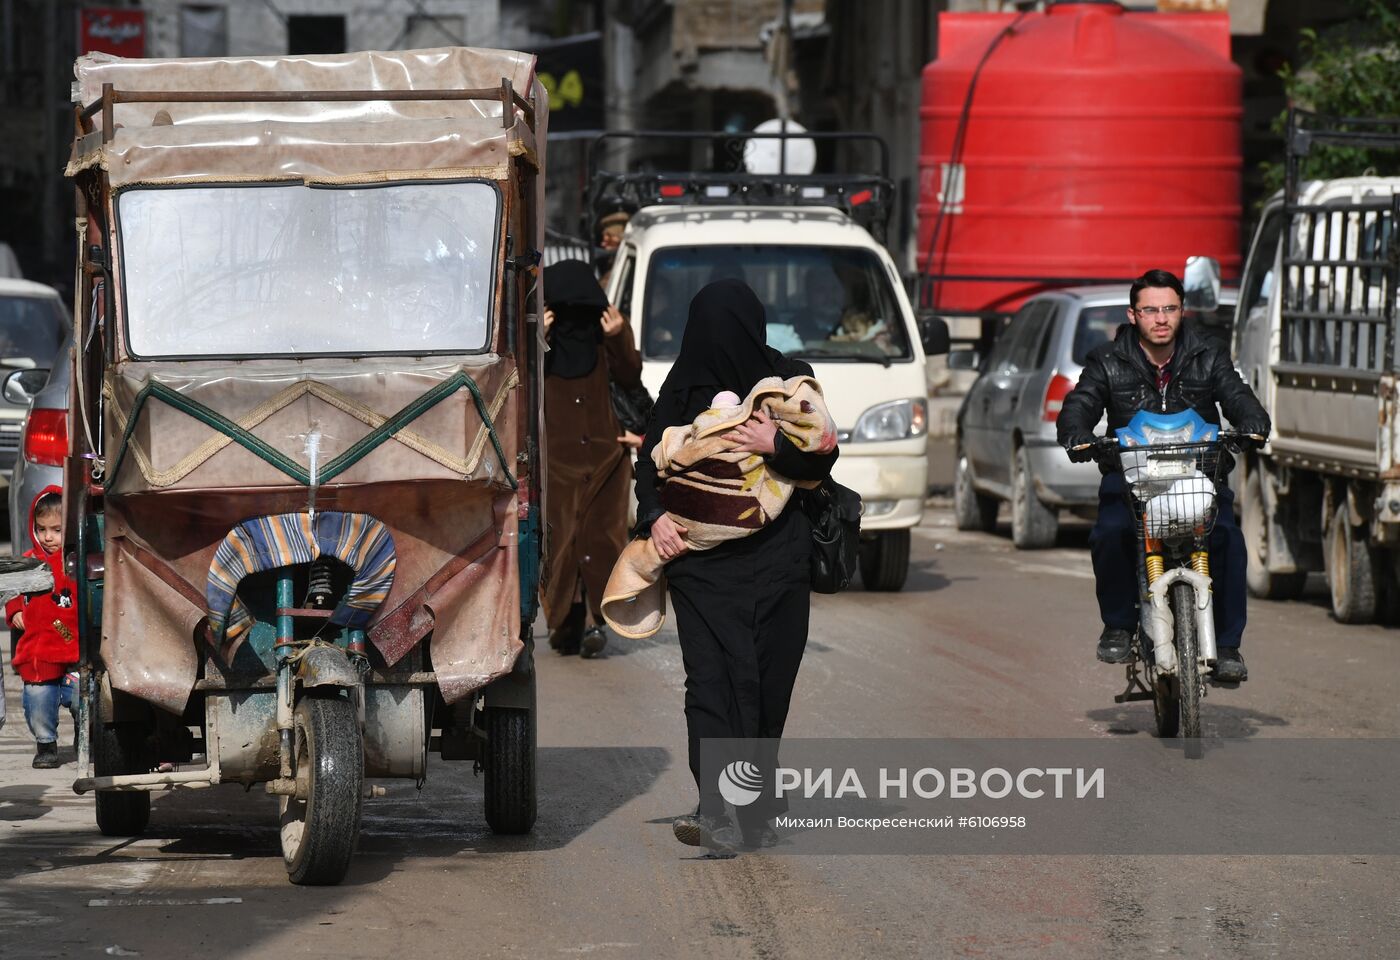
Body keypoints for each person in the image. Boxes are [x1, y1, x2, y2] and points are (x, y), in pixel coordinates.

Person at [635, 279, 839, 851]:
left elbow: (825, 453)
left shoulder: (786, 380)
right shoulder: (681, 386)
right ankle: (716, 809)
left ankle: (755, 800)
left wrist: (775, 445)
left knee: (769, 685)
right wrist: (653, 516)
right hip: (701, 566)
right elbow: (646, 463)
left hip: (779, 564)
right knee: (710, 684)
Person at [1057, 269, 1270, 683]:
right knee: (1110, 533)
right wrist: (1077, 434)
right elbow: (1080, 404)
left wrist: (1253, 421)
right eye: (1150, 309)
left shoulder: (1209, 353)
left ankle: (1227, 646)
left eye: (1169, 308)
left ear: (1181, 311)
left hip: (1200, 475)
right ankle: (1118, 625)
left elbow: (1237, 394)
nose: (1160, 318)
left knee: (1228, 539)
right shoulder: (1107, 359)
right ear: (1133, 315)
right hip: (1131, 479)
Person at [541, 259, 643, 658]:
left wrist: (619, 336)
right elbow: (523, 386)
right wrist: (539, 338)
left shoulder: (603, 344)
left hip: (606, 461)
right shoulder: (544, 349)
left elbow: (631, 378)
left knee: (600, 544)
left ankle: (593, 623)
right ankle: (566, 623)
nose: (576, 322)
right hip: (556, 465)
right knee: (562, 545)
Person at [7, 488, 79, 768]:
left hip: (74, 649)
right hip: (38, 651)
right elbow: (13, 590)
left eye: (57, 530)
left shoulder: (75, 562)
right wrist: (14, 610)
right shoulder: (28, 563)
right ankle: (46, 744)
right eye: (42, 529)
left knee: (83, 700)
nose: (48, 537)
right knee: (38, 700)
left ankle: (85, 735)